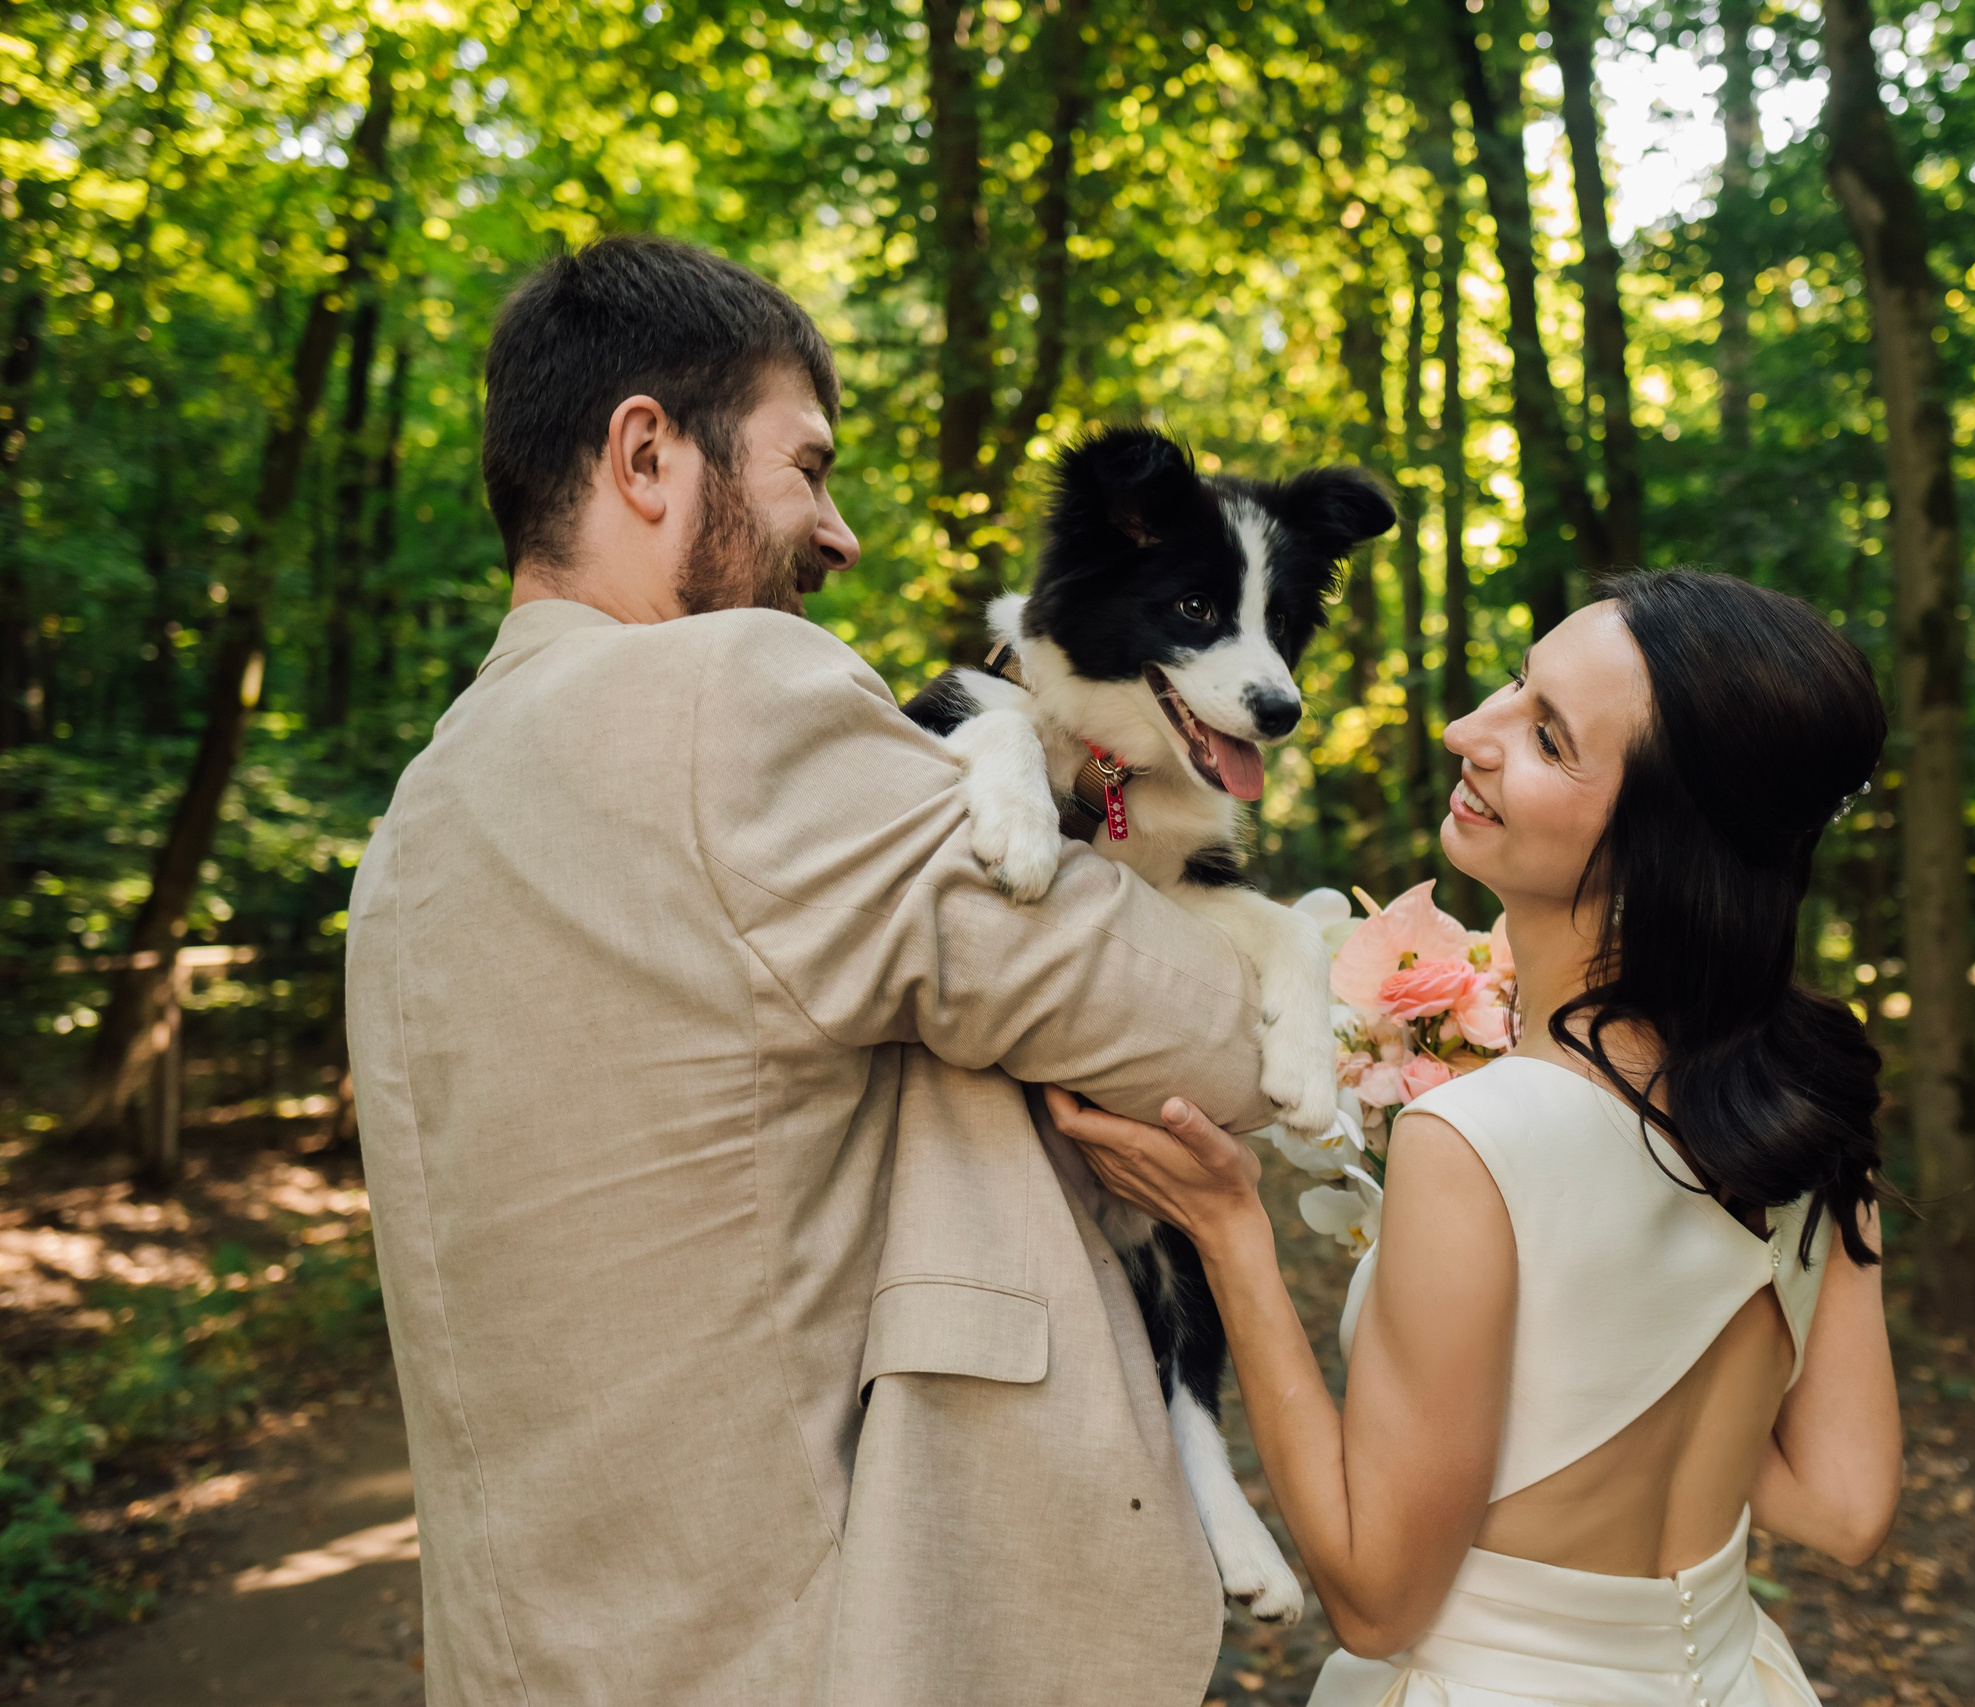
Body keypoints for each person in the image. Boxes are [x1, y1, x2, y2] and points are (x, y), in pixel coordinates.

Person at [344, 235, 1277, 1705]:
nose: (837, 533)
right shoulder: (735, 691)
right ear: (646, 453)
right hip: (819, 1637)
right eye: (808, 467)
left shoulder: (417, 815)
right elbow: (1205, 1044)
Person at [1052, 570, 1905, 1706]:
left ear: (1663, 841)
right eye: (1516, 684)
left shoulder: (1477, 1136)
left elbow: (1375, 1600)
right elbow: (1844, 1506)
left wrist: (1230, 1234)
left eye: (1547, 738)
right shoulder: (1805, 1105)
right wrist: (1590, 1375)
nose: (1470, 731)